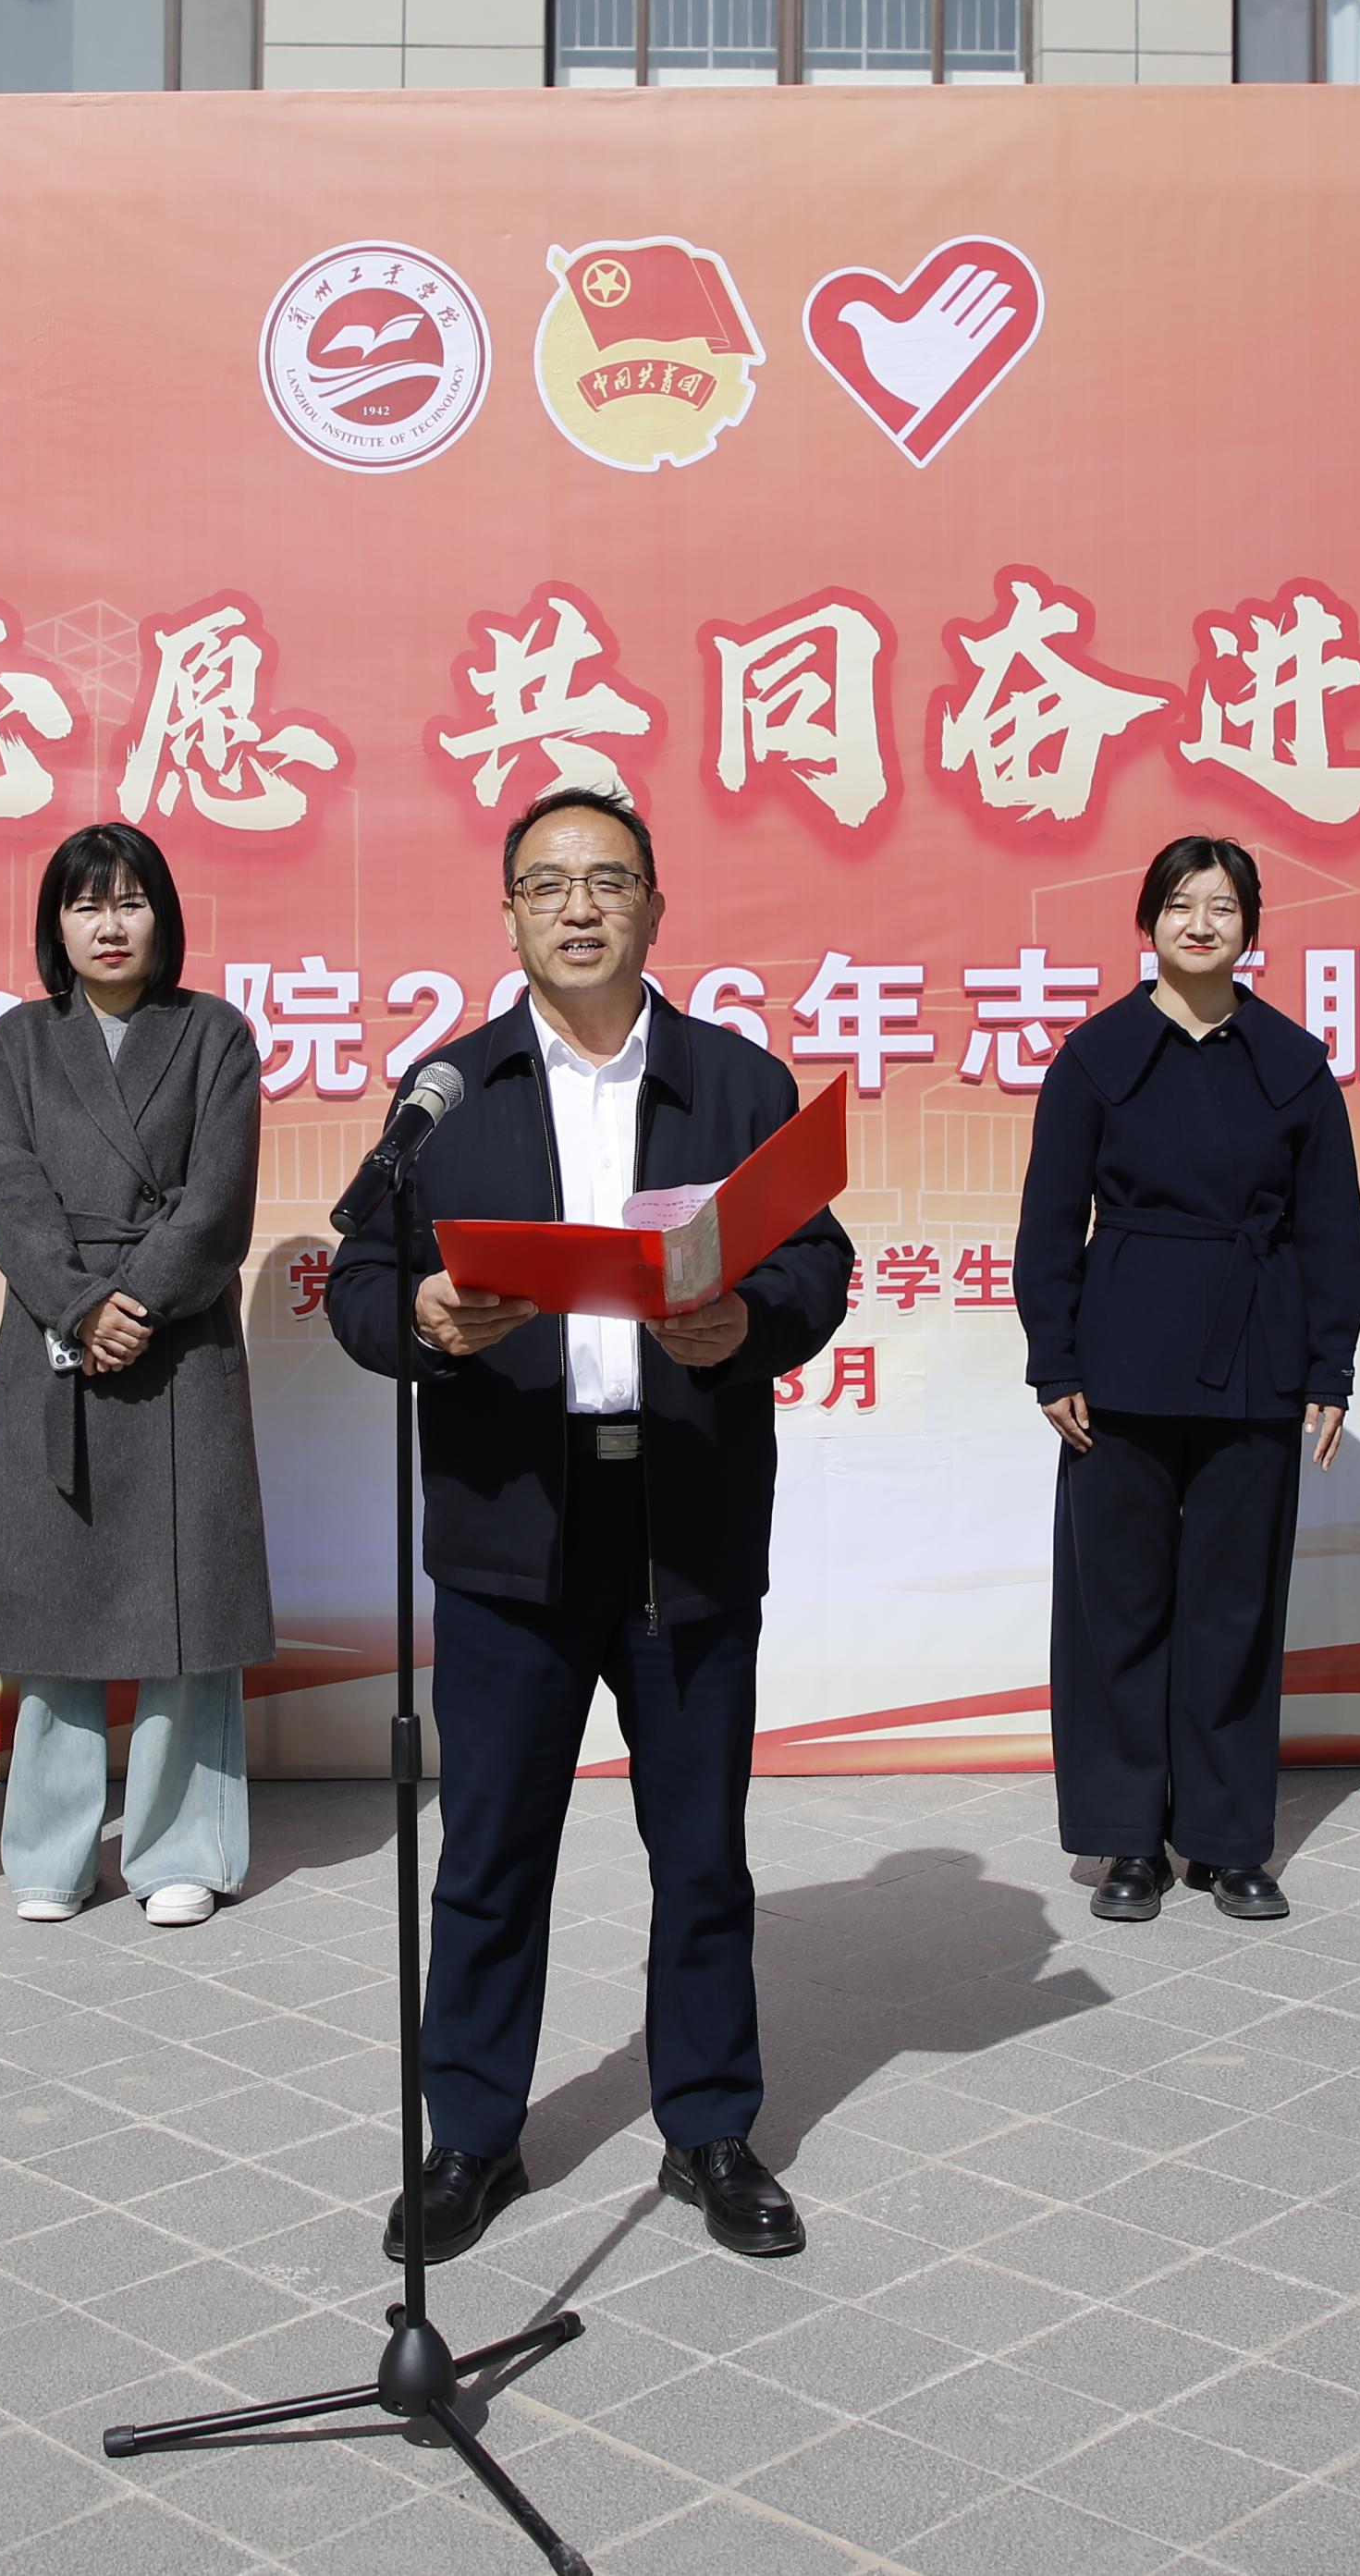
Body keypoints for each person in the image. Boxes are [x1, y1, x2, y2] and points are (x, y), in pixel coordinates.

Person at [327, 786, 857, 2265]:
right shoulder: (447, 1092)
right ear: (508, 914)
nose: (579, 907)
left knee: (701, 1850)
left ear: (655, 908)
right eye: (548, 883)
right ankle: (471, 2135)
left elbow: (819, 1265)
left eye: (608, 881)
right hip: (513, 1520)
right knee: (491, 1849)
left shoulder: (737, 1082)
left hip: (683, 1512)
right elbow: (361, 1281)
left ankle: (711, 2127)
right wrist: (425, 1315)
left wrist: (749, 1322)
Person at [1017, 833, 1360, 1925]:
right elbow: (1046, 1222)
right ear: (1147, 921)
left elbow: (1331, 1230)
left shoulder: (1293, 1063)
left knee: (1233, 1609)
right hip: (1116, 1365)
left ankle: (1226, 1838)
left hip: (1254, 1359)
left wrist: (1329, 1363)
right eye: (1179, 903)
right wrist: (1052, 1356)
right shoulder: (1094, 1057)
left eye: (1221, 905)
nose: (1200, 923)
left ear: (1249, 927)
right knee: (1115, 1609)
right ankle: (1125, 1836)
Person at [0, 823, 271, 1928]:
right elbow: (10, 1193)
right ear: (54, 923)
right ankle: (48, 1849)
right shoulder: (15, 1042)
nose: (109, 923)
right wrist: (80, 1305)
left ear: (163, 916)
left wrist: (134, 1300)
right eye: (86, 903)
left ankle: (181, 1846)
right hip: (57, 1343)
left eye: (130, 900)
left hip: (177, 1343)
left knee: (185, 1611)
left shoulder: (214, 1032)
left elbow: (217, 1197)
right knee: (55, 1605)